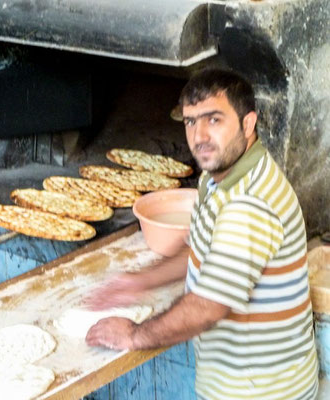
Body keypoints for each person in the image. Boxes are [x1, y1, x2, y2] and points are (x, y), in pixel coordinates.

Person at [85, 69, 319, 399]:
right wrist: (140, 281)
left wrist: (134, 335)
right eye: (191, 121)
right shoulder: (216, 178)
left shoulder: (250, 204)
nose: (199, 136)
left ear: (248, 124)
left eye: (214, 120)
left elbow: (207, 307)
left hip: (262, 392)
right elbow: (199, 248)